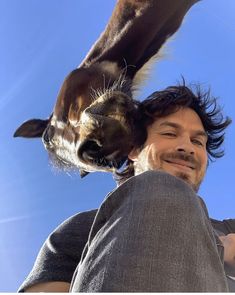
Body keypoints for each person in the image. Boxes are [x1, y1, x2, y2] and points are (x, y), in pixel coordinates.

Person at [18, 83, 234, 292]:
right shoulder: (80, 228)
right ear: (133, 150)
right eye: (169, 133)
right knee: (160, 185)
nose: (187, 147)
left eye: (198, 142)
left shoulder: (229, 229)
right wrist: (217, 249)